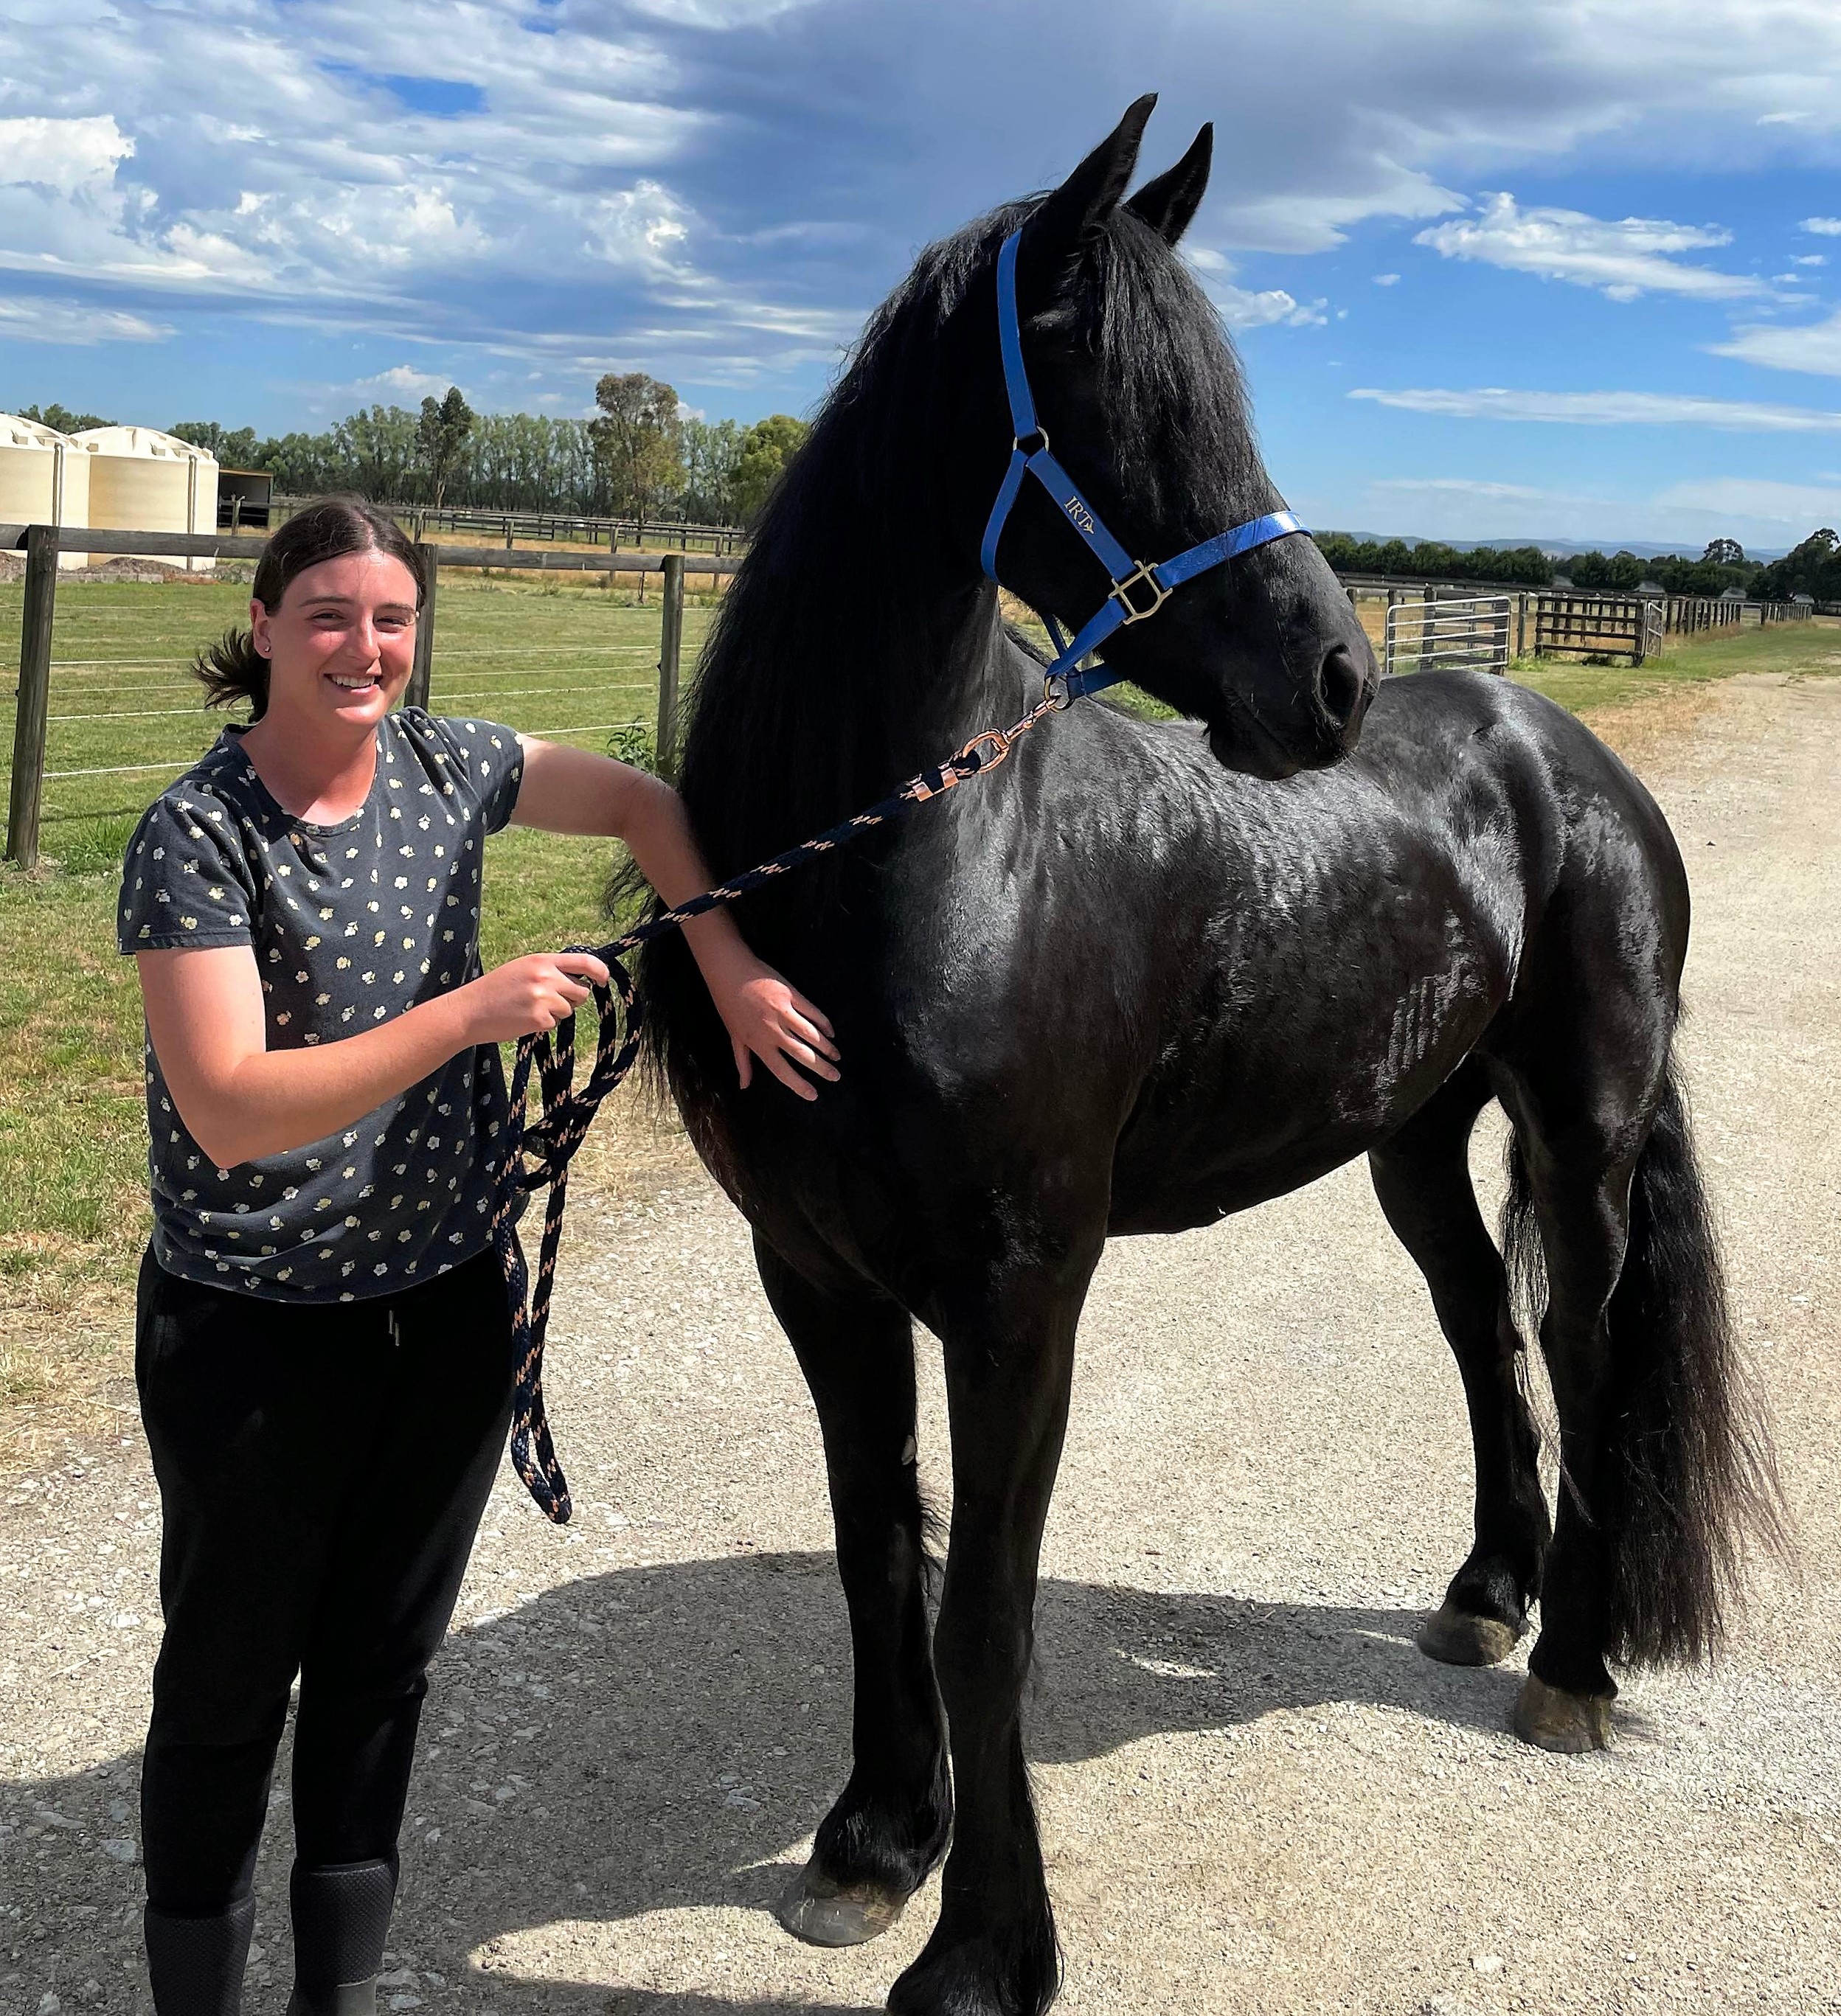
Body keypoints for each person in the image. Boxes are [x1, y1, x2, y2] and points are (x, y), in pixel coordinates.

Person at [118, 497, 840, 2015]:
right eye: (327, 613)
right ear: (263, 626)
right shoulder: (197, 832)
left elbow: (650, 805)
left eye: (390, 617)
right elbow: (231, 1103)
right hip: (252, 1330)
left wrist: (732, 956)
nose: (362, 645)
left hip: (444, 1308)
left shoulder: (453, 768)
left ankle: (342, 1992)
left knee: (381, 1673)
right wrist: (469, 1011)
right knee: (227, 1692)